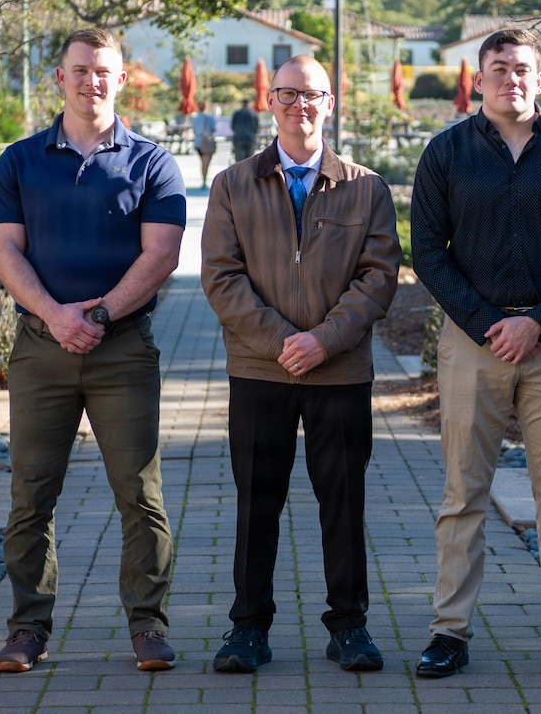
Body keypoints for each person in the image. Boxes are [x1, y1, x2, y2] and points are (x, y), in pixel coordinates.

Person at [410, 28, 541, 679]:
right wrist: (486, 324)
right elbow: (426, 254)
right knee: (463, 493)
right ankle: (450, 632)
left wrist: (537, 322)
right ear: (479, 79)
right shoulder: (445, 153)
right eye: (498, 68)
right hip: (473, 345)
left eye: (522, 68)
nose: (511, 79)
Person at [0, 27, 186, 673]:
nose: (90, 81)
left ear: (120, 79)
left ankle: (148, 627)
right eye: (79, 70)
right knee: (31, 496)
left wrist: (96, 315)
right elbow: (4, 249)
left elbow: (162, 255)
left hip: (122, 350)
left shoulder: (152, 163)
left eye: (103, 71)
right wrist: (54, 314)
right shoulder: (18, 160)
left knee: (139, 494)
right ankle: (26, 629)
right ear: (59, 77)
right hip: (40, 349)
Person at [200, 55, 401, 674]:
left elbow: (378, 278)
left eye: (311, 95)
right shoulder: (232, 184)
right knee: (257, 501)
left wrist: (324, 341)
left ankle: (350, 627)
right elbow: (220, 277)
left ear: (330, 102)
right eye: (287, 94)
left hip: (338, 372)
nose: (299, 105)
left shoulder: (366, 187)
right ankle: (248, 629)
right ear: (270, 101)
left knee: (342, 502)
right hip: (260, 371)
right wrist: (285, 341)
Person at [191, 99, 218, 188]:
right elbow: (214, 128)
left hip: (198, 142)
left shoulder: (195, 118)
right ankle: (204, 181)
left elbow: (194, 130)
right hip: (206, 142)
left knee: (202, 162)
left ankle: (203, 179)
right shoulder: (209, 117)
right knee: (206, 163)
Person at [229, 98, 260, 163]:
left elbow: (232, 126)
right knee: (249, 161)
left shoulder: (237, 113)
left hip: (238, 138)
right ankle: (248, 173)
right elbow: (257, 128)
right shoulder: (254, 114)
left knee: (239, 161)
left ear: (242, 104)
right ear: (249, 104)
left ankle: (240, 173)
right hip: (250, 138)